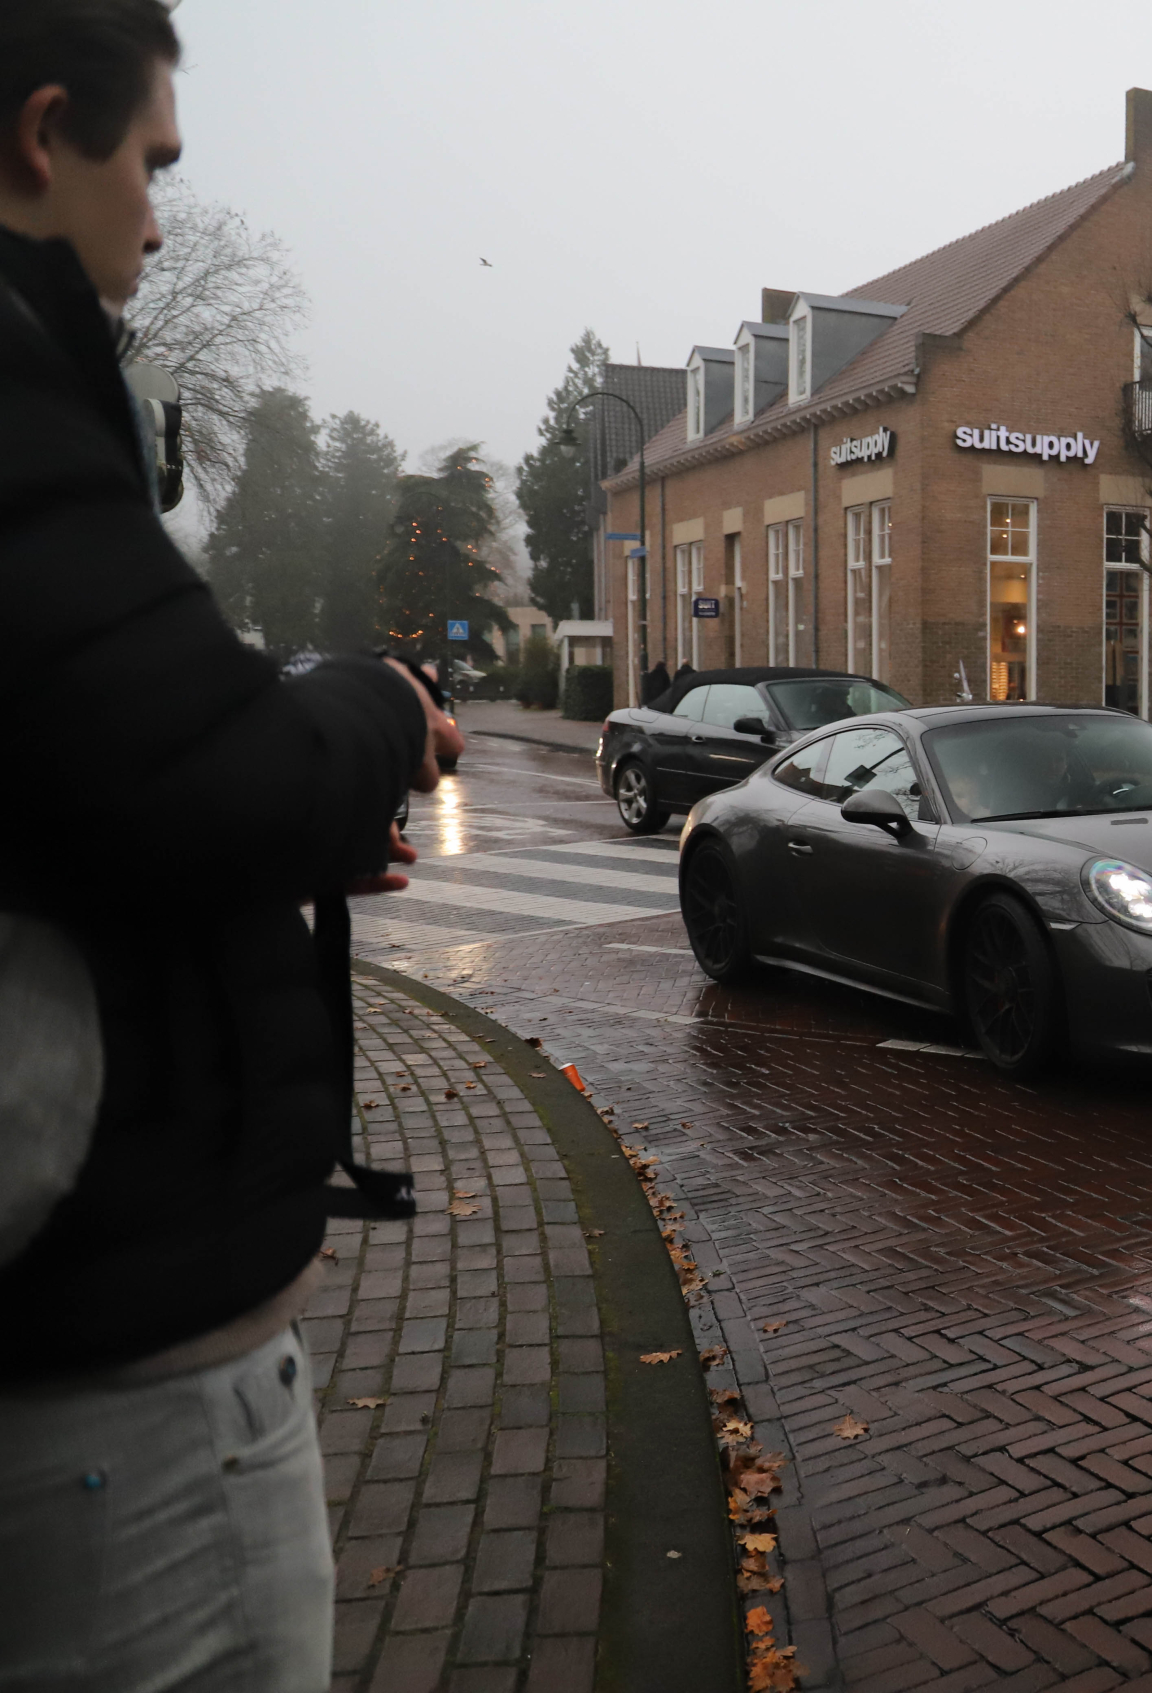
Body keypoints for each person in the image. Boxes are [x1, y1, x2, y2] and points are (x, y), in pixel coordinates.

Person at [0, 7, 461, 1688]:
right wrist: (379, 709)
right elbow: (196, 769)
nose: (162, 214)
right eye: (152, 162)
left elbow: (104, 761)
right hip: (117, 1384)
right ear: (47, 135)